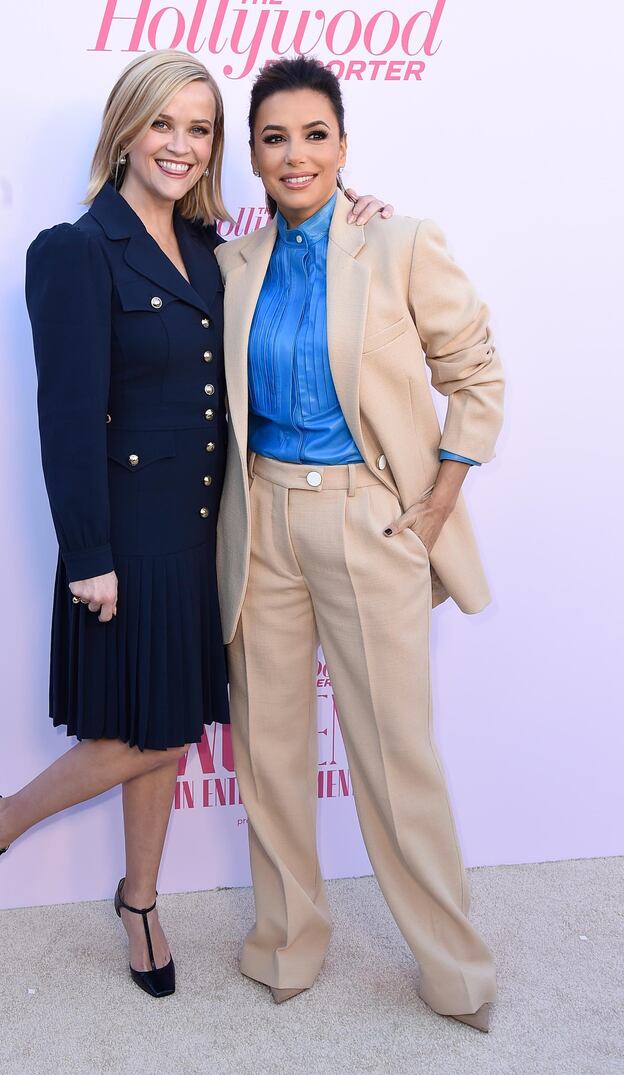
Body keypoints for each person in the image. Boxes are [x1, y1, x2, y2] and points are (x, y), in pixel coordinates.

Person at [0, 50, 391, 1000]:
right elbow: (64, 417)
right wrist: (88, 555)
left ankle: (139, 897)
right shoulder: (74, 249)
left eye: (200, 128)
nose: (182, 145)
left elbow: (297, 267)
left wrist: (360, 217)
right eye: (163, 124)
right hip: (127, 539)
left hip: (205, 533)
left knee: (172, 733)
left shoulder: (211, 247)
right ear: (125, 130)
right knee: (146, 732)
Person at [214, 56, 504, 1031]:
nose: (294, 155)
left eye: (313, 134)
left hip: (366, 519)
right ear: (250, 155)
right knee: (268, 748)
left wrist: (434, 501)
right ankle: (286, 941)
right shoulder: (229, 263)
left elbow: (475, 376)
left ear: (343, 143)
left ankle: (454, 969)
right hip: (259, 521)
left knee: (394, 755)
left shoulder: (398, 243)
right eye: (273, 137)